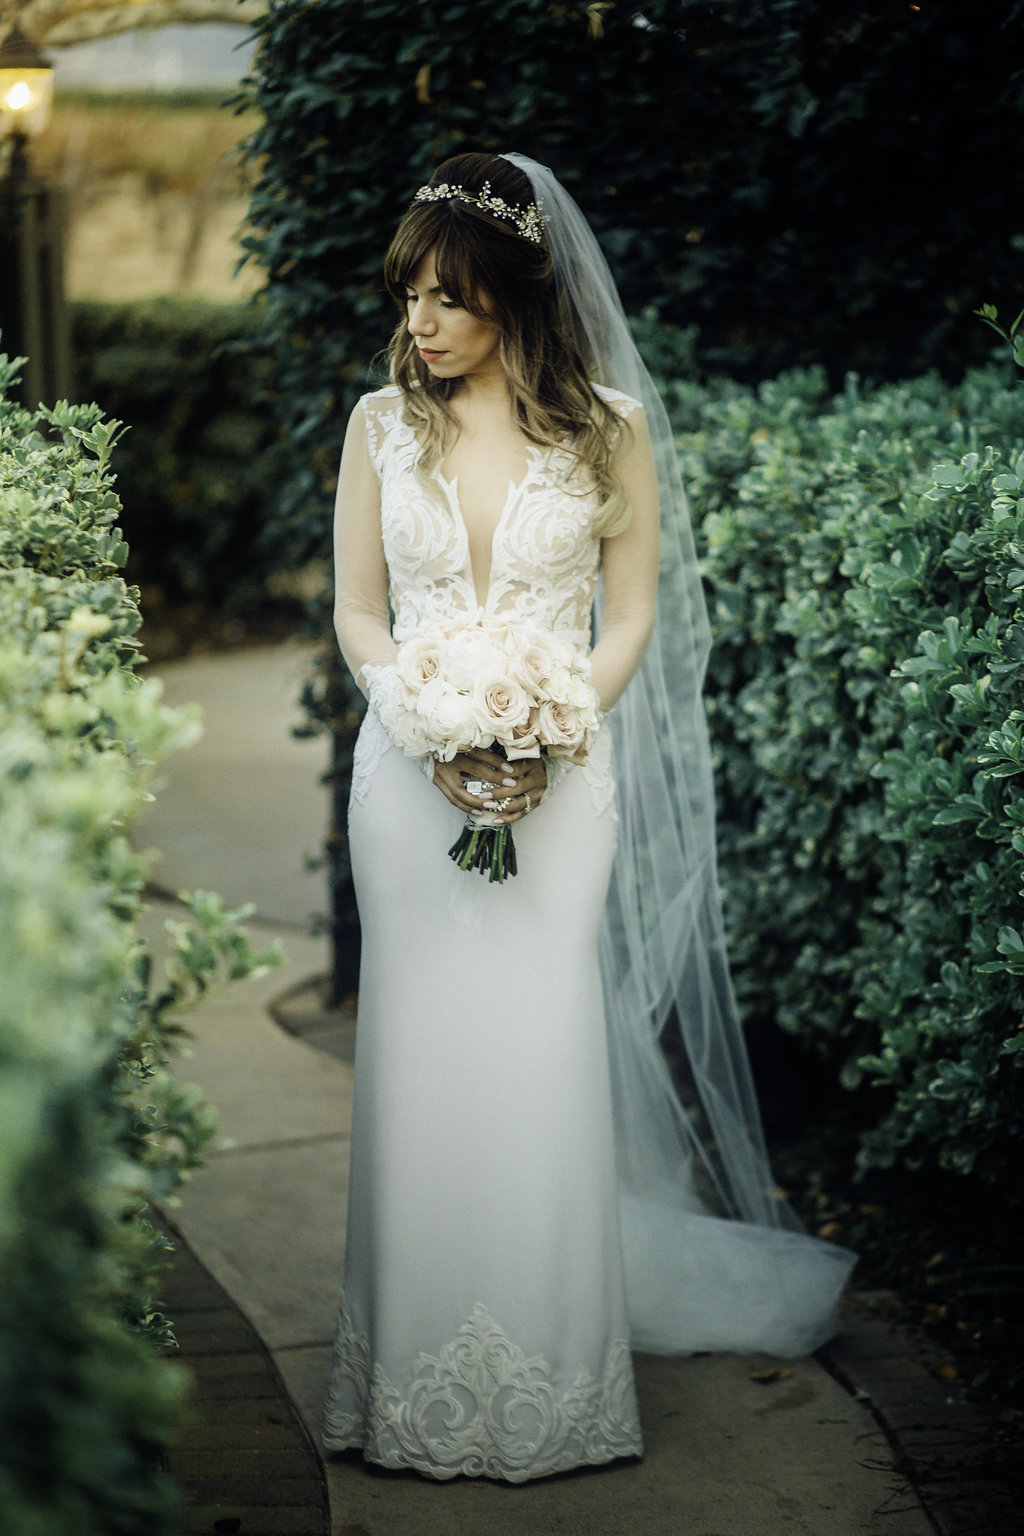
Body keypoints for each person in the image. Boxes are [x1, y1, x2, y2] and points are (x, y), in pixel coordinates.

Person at [323, 151, 856, 1484]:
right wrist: (426, 731)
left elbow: (629, 621)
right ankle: (410, 1375)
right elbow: (360, 611)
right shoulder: (377, 428)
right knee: (420, 1066)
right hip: (410, 782)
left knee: (540, 1057)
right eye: (409, 298)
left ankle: (555, 1384)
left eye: (447, 297)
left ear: (515, 295)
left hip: (561, 794)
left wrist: (552, 732)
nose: (419, 325)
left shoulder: (607, 424)